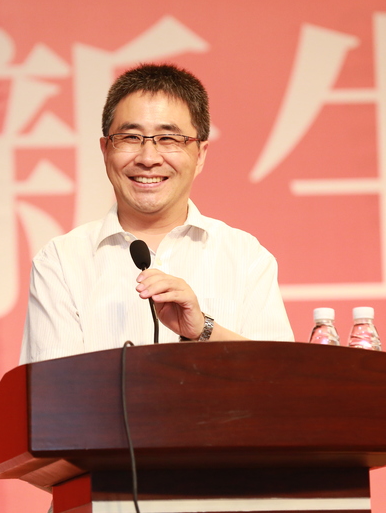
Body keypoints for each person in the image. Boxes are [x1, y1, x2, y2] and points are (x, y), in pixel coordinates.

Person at [20, 64, 293, 364]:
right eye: (130, 137)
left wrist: (202, 330)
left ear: (200, 155)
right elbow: (51, 389)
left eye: (169, 139)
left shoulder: (246, 258)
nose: (148, 158)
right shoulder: (60, 262)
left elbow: (282, 378)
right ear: (105, 150)